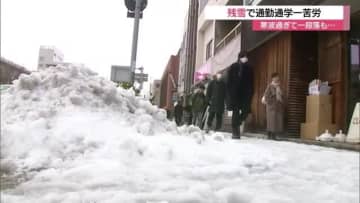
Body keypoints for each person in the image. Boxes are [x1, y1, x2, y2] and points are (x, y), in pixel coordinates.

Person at [225, 51, 254, 139]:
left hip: (245, 93)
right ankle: (235, 132)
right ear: (240, 57)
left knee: (245, 111)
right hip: (235, 93)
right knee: (236, 112)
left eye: (246, 57)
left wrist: (252, 91)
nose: (246, 58)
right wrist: (230, 92)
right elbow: (229, 80)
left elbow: (252, 81)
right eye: (244, 57)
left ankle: (239, 121)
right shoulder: (233, 66)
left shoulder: (249, 68)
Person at [262, 72, 284, 140]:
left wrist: (281, 97)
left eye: (277, 77)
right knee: (271, 121)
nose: (277, 78)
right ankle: (270, 134)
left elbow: (281, 95)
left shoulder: (279, 86)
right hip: (271, 106)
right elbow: (266, 95)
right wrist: (270, 100)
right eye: (275, 77)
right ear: (272, 78)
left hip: (277, 105)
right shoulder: (270, 86)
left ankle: (274, 135)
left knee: (277, 120)